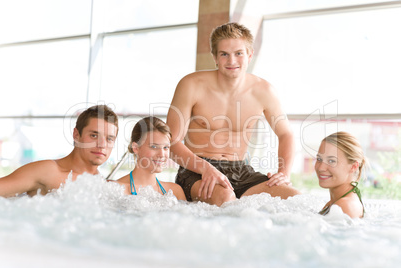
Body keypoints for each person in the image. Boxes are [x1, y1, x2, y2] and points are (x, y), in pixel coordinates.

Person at [166, 22, 300, 206]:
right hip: (196, 170)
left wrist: (283, 173)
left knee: (295, 199)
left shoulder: (264, 91)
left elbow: (286, 134)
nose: (232, 61)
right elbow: (171, 142)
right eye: (224, 54)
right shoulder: (191, 85)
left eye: (238, 53)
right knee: (226, 200)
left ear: (250, 55)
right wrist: (206, 168)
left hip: (241, 170)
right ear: (214, 56)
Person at [0, 104, 119, 197]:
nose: (102, 145)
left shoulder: (104, 187)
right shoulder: (47, 171)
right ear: (76, 135)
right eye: (94, 135)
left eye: (109, 139)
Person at [115, 116, 186, 200]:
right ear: (136, 148)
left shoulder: (175, 191)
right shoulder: (117, 189)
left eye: (166, 147)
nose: (162, 154)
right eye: (154, 146)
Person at [315, 132, 366, 218]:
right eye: (319, 159)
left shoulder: (345, 206)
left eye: (331, 161)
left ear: (353, 166)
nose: (321, 168)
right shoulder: (335, 203)